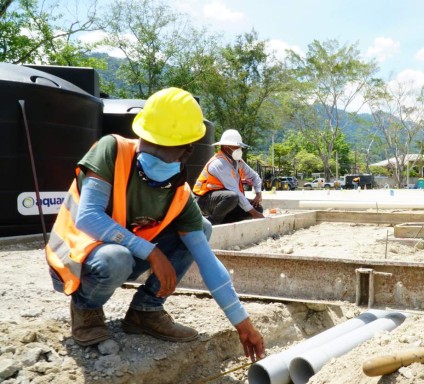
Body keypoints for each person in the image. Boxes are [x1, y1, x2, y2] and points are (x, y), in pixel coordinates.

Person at [45, 87, 265, 362]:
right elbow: (88, 217)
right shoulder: (112, 150)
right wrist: (152, 252)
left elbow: (208, 263)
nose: (155, 153)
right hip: (74, 257)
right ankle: (86, 311)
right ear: (141, 135)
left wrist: (243, 325)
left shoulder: (178, 193)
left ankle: (145, 311)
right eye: (151, 143)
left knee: (201, 230)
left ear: (187, 151)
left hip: (123, 253)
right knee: (117, 257)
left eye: (166, 148)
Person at [193, 129, 264, 225]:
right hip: (204, 200)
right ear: (226, 148)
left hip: (224, 199)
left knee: (257, 208)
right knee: (232, 197)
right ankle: (212, 222)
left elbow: (254, 176)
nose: (240, 149)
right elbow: (235, 191)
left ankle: (224, 222)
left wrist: (258, 194)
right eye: (237, 147)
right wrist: (255, 214)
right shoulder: (219, 163)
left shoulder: (238, 162)